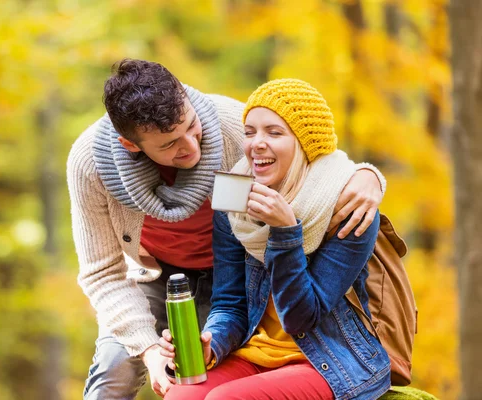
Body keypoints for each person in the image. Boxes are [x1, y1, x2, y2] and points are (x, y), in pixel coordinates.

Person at [66, 60, 387, 399]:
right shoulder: (91, 164)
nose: (191, 146)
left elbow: (319, 153)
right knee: (116, 371)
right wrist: (156, 350)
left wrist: (370, 177)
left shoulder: (235, 126)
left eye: (192, 126)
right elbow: (104, 274)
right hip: (164, 277)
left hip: (309, 341)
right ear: (132, 145)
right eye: (169, 144)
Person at [160, 79, 391, 400]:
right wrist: (212, 343)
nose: (257, 143)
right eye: (250, 132)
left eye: (274, 132)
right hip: (255, 352)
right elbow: (230, 303)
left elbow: (300, 318)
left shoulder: (347, 205)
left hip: (329, 361)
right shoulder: (233, 193)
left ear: (305, 143)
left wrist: (284, 233)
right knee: (180, 396)